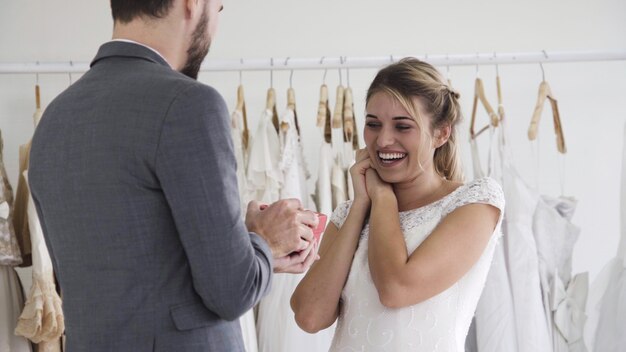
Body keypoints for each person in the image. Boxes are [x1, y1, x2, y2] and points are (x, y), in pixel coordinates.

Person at [28, 0, 319, 350]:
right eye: (220, 9)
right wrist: (265, 241)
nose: (215, 26)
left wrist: (245, 248)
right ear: (193, 4)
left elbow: (130, 267)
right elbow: (232, 292)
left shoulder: (54, 120)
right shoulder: (189, 105)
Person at [291, 58, 505, 351]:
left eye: (402, 126)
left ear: (441, 133)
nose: (383, 140)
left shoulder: (474, 202)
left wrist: (381, 197)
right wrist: (360, 207)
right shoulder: (348, 214)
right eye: (373, 124)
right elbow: (309, 317)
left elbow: (395, 289)